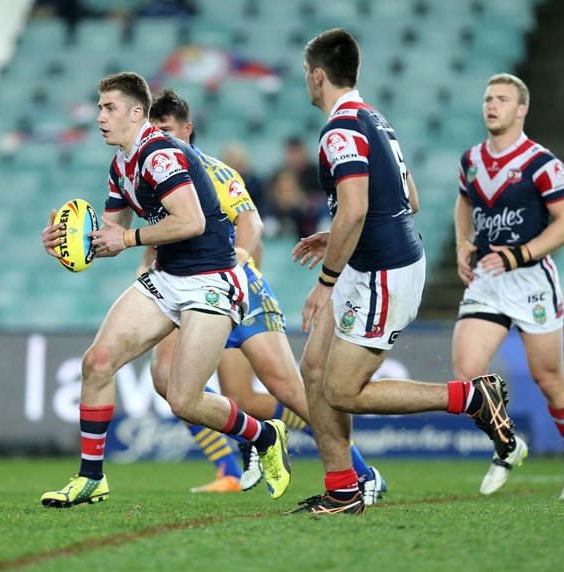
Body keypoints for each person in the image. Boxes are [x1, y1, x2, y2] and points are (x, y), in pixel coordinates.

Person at [288, 28, 518, 515]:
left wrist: (324, 282)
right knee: (313, 371)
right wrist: (339, 236)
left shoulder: (340, 130)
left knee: (342, 390)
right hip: (371, 261)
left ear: (317, 76)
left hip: (381, 273)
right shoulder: (374, 118)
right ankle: (343, 490)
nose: (306, 81)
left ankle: (470, 398)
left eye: (306, 74)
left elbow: (355, 210)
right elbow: (407, 199)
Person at [39, 71, 291, 508]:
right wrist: (69, 242)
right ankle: (91, 478)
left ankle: (265, 435)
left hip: (211, 280)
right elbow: (110, 236)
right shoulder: (121, 164)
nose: (100, 117)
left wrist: (128, 239)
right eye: (99, 108)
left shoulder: (159, 155)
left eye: (109, 108)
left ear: (137, 112)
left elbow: (190, 221)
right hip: (168, 277)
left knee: (184, 401)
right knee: (97, 362)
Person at [146, 87, 387, 503]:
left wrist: (236, 261)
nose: (159, 139)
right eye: (153, 131)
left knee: (290, 390)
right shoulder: (152, 181)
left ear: (187, 130)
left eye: (166, 130)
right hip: (190, 294)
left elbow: (252, 223)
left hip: (240, 291)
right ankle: (254, 440)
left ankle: (363, 474)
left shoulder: (213, 171)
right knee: (170, 380)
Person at [453, 73, 564, 500]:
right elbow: (464, 200)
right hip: (488, 278)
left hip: (531, 280)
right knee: (467, 375)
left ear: (521, 110)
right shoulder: (471, 159)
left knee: (548, 379)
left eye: (502, 99)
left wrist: (519, 254)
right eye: (488, 99)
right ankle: (508, 444)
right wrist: (462, 242)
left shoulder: (541, 163)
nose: (492, 105)